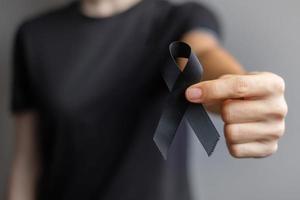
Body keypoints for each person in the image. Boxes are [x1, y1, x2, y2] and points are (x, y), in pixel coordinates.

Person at [7, 0, 287, 200]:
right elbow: (27, 161)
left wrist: (238, 90)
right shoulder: (34, 36)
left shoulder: (179, 20)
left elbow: (200, 55)